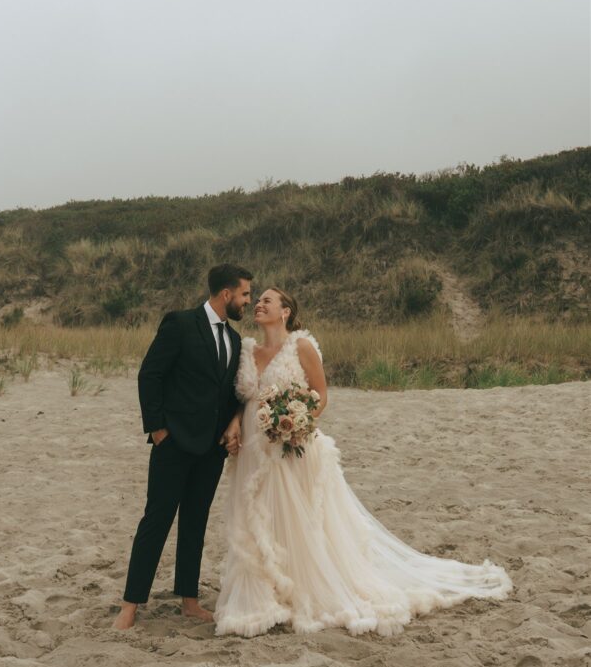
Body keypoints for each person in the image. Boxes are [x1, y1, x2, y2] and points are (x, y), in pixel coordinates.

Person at [214, 287, 513, 637]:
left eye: (268, 300)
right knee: (256, 517)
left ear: (285, 311)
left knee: (296, 518)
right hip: (253, 446)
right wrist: (234, 422)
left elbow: (320, 395)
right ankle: (262, 594)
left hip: (291, 445)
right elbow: (243, 398)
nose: (259, 304)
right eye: (258, 299)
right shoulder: (248, 350)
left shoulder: (301, 347)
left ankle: (299, 588)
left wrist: (298, 423)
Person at [113, 263, 252, 630]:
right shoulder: (179, 323)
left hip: (211, 450)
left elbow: (230, 392)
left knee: (195, 523)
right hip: (173, 443)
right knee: (156, 521)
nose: (247, 302)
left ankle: (188, 600)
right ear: (226, 294)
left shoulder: (235, 340)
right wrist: (158, 430)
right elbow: (150, 374)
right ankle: (130, 605)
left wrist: (229, 430)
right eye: (245, 294)